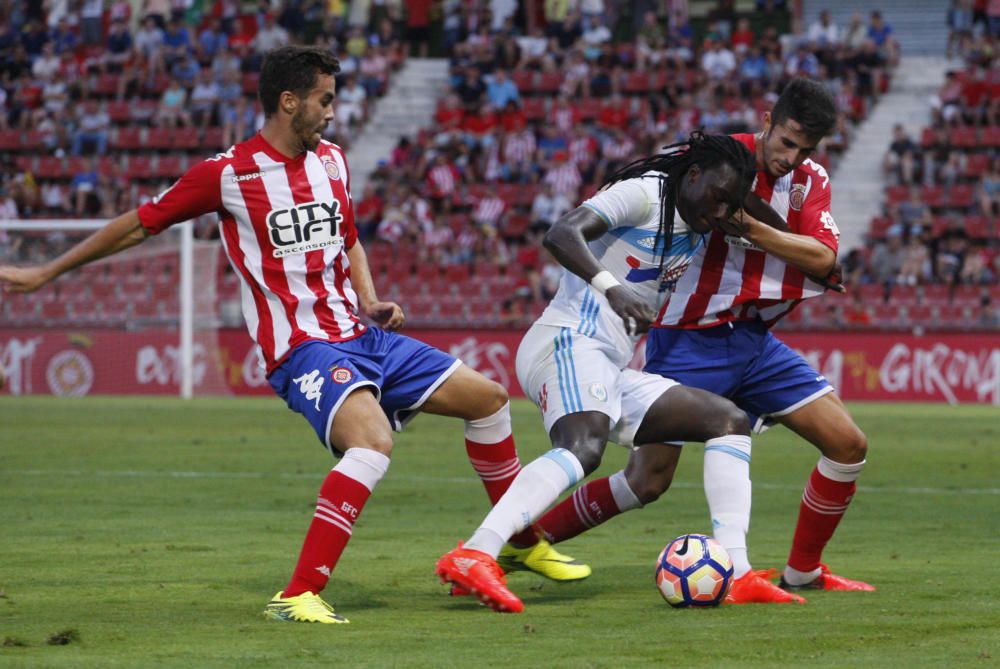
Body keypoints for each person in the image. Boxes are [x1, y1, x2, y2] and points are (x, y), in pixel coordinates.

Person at [0, 46, 581, 625]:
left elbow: (348, 238)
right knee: (372, 443)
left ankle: (519, 542)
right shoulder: (227, 175)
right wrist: (45, 272)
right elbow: (138, 226)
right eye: (324, 100)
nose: (331, 113)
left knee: (490, 402)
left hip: (362, 334)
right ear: (289, 101)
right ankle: (298, 594)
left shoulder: (332, 162)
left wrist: (371, 298)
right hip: (301, 348)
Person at [532, 78, 874, 604]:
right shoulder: (716, 163)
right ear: (767, 121)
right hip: (688, 339)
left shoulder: (810, 181)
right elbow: (634, 199)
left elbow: (825, 260)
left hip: (755, 341)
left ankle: (803, 571)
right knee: (647, 482)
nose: (792, 157)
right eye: (786, 142)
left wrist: (752, 228)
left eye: (805, 149)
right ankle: (521, 541)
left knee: (848, 445)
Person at [435, 133, 760, 613]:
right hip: (567, 340)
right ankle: (476, 552)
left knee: (729, 421)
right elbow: (562, 232)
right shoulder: (645, 194)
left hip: (609, 365)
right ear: (693, 175)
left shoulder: (698, 221)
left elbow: (750, 219)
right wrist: (612, 289)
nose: (720, 213)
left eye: (729, 206)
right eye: (717, 198)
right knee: (582, 448)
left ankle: (740, 573)